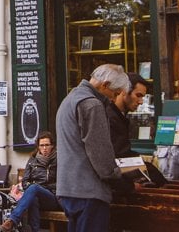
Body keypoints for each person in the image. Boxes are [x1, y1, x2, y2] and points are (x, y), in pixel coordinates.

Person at [56, 64, 128, 232]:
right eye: (115, 93)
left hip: (68, 188)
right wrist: (121, 180)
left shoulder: (70, 99)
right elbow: (100, 153)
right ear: (105, 85)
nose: (114, 99)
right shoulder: (92, 104)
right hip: (89, 191)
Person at [107, 72, 168, 187]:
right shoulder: (111, 117)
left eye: (143, 97)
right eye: (138, 95)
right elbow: (119, 155)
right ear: (124, 91)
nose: (140, 101)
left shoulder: (118, 116)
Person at [0, 131, 60, 232]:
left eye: (47, 145)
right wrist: (35, 189)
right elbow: (25, 182)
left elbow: (62, 182)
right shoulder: (32, 160)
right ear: (38, 146)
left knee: (34, 188)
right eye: (42, 145)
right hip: (35, 197)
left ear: (52, 146)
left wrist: (41, 188)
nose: (44, 148)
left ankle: (12, 220)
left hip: (52, 198)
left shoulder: (58, 160)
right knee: (33, 198)